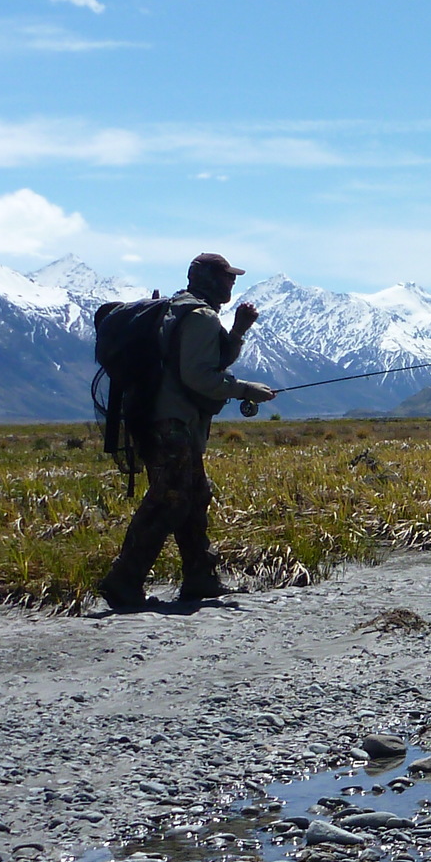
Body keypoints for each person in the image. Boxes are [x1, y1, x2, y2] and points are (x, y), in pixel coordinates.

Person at [98, 252, 278, 611]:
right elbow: (199, 376)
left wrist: (238, 331)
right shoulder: (199, 316)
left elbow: (205, 361)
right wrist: (244, 389)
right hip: (172, 422)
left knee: (194, 493)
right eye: (227, 277)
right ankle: (124, 580)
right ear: (209, 279)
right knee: (171, 496)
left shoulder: (182, 309)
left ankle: (201, 578)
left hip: (157, 417)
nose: (232, 283)